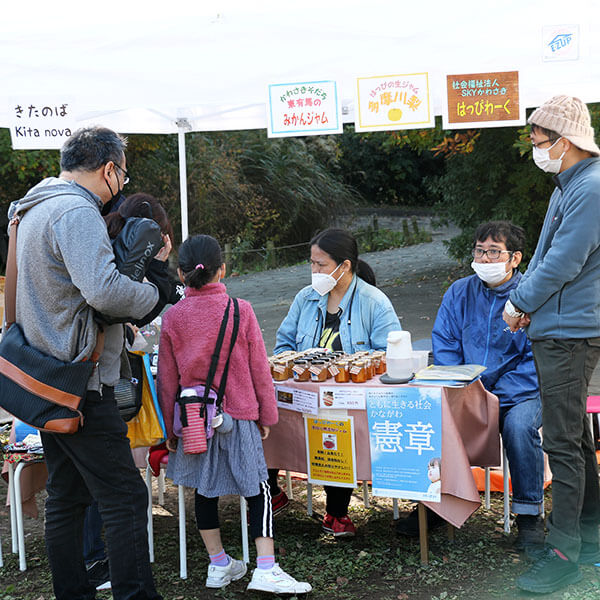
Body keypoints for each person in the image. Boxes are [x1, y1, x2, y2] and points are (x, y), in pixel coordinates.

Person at [11, 127, 162, 599]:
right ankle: (137, 595)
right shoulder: (76, 210)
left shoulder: (31, 205)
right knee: (124, 496)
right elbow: (104, 291)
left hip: (45, 374)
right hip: (83, 379)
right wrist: (152, 295)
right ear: (109, 168)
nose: (121, 181)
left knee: (69, 496)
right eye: (123, 172)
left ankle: (72, 593)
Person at [157, 235, 311, 594]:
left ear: (181, 274)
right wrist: (266, 416)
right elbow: (260, 368)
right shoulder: (241, 310)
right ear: (222, 269)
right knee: (258, 488)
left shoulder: (173, 318)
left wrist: (172, 427)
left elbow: (167, 380)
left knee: (205, 490)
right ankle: (266, 567)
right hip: (238, 415)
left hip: (195, 419)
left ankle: (218, 564)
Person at [502, 96, 600, 594]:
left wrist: (519, 302)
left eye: (540, 142)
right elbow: (544, 255)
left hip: (570, 332)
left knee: (560, 441)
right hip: (559, 326)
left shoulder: (592, 186)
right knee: (575, 436)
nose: (536, 151)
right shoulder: (573, 184)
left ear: (564, 140)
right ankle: (591, 536)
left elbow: (563, 261)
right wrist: (527, 305)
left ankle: (563, 554)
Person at [397, 222, 545, 547]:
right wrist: (465, 386)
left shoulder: (532, 296)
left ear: (515, 258)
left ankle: (529, 516)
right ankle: (436, 504)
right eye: (479, 250)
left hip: (519, 394)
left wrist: (492, 396)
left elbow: (535, 358)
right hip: (464, 389)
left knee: (520, 429)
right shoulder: (459, 292)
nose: (484, 258)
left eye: (494, 252)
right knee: (430, 418)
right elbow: (445, 342)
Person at [272, 228, 401, 537]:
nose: (314, 271)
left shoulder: (374, 302)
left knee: (333, 425)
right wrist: (297, 361)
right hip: (303, 393)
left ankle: (337, 512)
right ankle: (269, 491)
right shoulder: (306, 298)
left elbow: (391, 355)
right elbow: (282, 346)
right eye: (312, 263)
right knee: (267, 413)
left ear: (344, 266)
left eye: (321, 265)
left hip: (348, 400)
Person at [84, 192, 176, 591]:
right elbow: (141, 308)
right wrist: (157, 267)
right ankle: (108, 570)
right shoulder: (127, 260)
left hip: (77, 383)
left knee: (80, 488)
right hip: (98, 386)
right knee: (124, 492)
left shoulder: (101, 243)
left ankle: (85, 568)